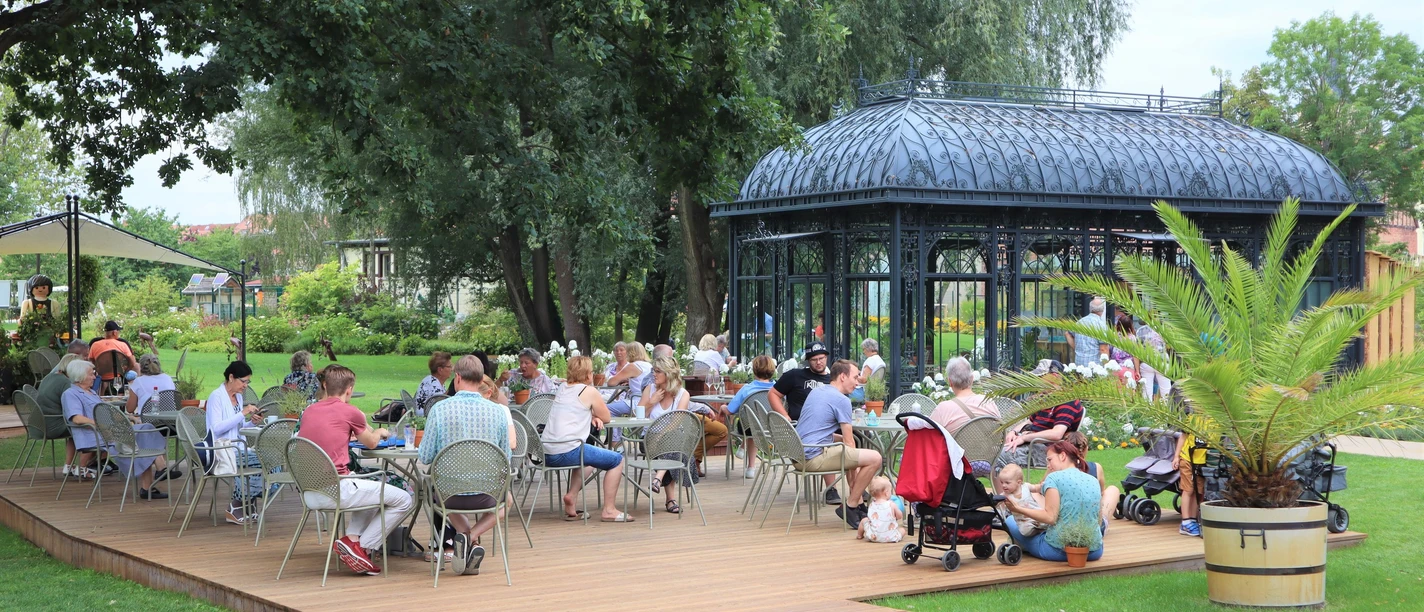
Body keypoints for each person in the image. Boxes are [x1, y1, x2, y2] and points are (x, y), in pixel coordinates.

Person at [299, 364, 413, 576]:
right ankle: (364, 547)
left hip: (310, 490)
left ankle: (352, 540)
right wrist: (379, 431)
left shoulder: (309, 410)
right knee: (404, 499)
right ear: (349, 389)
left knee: (372, 490)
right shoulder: (350, 411)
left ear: (325, 385)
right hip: (337, 489)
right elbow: (370, 443)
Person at [418, 355, 516, 575]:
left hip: (448, 495)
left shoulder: (439, 410)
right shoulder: (498, 412)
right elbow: (505, 459)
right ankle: (471, 537)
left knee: (437, 489)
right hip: (488, 493)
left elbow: (424, 456)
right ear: (482, 378)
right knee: (506, 501)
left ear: (457, 378)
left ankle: (466, 537)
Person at [541, 356, 633, 522]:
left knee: (590, 457)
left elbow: (573, 409)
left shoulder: (562, 387)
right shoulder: (589, 391)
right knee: (617, 460)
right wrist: (595, 415)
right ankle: (609, 510)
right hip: (568, 451)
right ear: (589, 375)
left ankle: (571, 497)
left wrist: (590, 415)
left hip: (546, 452)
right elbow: (606, 417)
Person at [61, 359, 169, 499]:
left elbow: (109, 414)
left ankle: (153, 479)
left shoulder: (91, 393)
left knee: (146, 429)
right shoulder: (70, 394)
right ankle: (158, 472)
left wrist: (128, 418)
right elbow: (77, 418)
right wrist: (101, 424)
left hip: (109, 431)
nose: (94, 377)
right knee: (142, 436)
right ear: (79, 376)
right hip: (93, 435)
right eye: (91, 374)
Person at [795, 359, 883, 527]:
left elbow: (816, 430)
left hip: (800, 453)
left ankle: (857, 503)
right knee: (875, 458)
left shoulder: (817, 392)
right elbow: (850, 443)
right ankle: (851, 505)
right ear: (843, 376)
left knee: (849, 448)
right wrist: (854, 479)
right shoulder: (842, 400)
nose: (857, 383)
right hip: (813, 457)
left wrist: (853, 479)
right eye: (855, 377)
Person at [1002, 440, 1105, 562]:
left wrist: (1017, 509)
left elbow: (1050, 518)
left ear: (1062, 456)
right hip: (1094, 551)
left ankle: (1022, 546)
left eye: (1050, 460)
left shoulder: (1054, 478)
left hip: (1058, 551)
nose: (1048, 465)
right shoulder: (1092, 479)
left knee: (1010, 521)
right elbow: (1098, 520)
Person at [640, 356, 728, 483]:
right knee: (677, 452)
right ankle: (666, 491)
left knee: (672, 446)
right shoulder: (650, 389)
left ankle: (661, 484)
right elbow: (638, 416)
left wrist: (661, 436)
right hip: (649, 438)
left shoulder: (682, 394)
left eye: (657, 371)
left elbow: (677, 422)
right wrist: (651, 402)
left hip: (671, 439)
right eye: (653, 370)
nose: (653, 374)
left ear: (668, 374)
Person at [205, 361, 267, 524]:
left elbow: (238, 427)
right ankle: (237, 504)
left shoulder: (238, 397)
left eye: (248, 382)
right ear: (231, 377)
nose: (245, 385)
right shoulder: (216, 397)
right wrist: (242, 413)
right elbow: (216, 428)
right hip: (221, 450)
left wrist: (251, 422)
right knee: (262, 460)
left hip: (238, 448)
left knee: (268, 459)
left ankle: (247, 503)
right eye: (243, 381)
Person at [1002, 360, 1083, 453]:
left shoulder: (1067, 401)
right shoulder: (1045, 399)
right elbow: (1030, 421)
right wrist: (1013, 432)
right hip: (1031, 444)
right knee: (993, 451)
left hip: (1048, 450)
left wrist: (1025, 438)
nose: (1036, 381)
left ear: (1054, 377)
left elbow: (1057, 434)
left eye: (1040, 377)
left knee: (997, 456)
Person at [725, 355, 776, 479]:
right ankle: (751, 467)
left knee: (751, 425)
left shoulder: (747, 389)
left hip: (747, 428)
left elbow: (730, 410)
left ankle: (747, 459)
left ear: (754, 370)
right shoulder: (777, 389)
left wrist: (722, 409)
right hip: (771, 427)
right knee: (756, 425)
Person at [928, 357, 1001, 433]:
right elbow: (1000, 430)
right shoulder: (988, 402)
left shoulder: (942, 409)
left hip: (955, 445)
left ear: (950, 382)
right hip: (990, 445)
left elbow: (929, 436)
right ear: (972, 379)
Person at [1065, 432, 1123, 525]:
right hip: (1093, 525)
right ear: (1086, 449)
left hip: (1065, 523)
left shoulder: (1056, 469)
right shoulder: (1096, 467)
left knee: (1037, 492)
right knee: (1113, 490)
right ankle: (1102, 522)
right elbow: (1101, 493)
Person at [37, 354, 80, 476]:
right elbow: (73, 407)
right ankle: (84, 467)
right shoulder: (66, 383)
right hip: (53, 425)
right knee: (83, 427)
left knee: (76, 427)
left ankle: (69, 465)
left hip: (40, 424)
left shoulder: (48, 377)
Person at [769, 342, 831, 421]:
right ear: (808, 360)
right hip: (799, 427)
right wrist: (784, 416)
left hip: (827, 426)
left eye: (821, 358)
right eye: (814, 360)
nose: (818, 362)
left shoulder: (833, 380)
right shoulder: (795, 375)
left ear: (826, 357)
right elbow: (773, 394)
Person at [995, 464, 1044, 537]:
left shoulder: (1026, 487)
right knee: (1025, 531)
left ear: (1019, 482)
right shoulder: (1005, 495)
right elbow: (996, 502)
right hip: (1024, 521)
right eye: (1001, 482)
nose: (1003, 485)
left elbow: (1036, 488)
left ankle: (1042, 529)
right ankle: (1037, 531)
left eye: (1007, 483)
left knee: (1046, 522)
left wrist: (1041, 486)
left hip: (1036, 513)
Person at [88, 321, 137, 392]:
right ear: (114, 332)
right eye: (118, 331)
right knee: (134, 374)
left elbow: (91, 362)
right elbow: (132, 363)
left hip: (101, 376)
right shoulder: (122, 345)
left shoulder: (95, 345)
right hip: (118, 376)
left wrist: (98, 369)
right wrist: (125, 371)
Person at [605, 343, 652, 417]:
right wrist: (630, 381)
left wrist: (620, 380)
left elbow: (611, 383)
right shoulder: (648, 365)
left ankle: (616, 428)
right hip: (649, 400)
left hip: (637, 401)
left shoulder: (633, 366)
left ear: (630, 353)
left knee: (606, 409)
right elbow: (640, 380)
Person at [857, 476, 905, 543]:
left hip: (873, 536)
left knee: (864, 520)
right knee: (902, 530)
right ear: (886, 493)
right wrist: (898, 512)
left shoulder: (871, 505)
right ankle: (892, 536)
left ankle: (859, 535)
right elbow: (899, 516)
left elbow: (871, 519)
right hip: (890, 537)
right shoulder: (892, 504)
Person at [1064, 297, 1109, 366]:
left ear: (1090, 309)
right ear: (1102, 310)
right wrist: (1107, 367)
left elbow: (1067, 334)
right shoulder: (1101, 326)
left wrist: (1077, 348)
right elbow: (1103, 349)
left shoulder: (1079, 323)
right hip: (1095, 367)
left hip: (1079, 364)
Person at [1136, 318, 1171, 401]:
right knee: (1166, 391)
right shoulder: (1164, 330)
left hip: (1147, 362)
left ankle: (1147, 412)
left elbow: (1136, 352)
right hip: (1162, 362)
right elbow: (1169, 347)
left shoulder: (1140, 331)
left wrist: (1137, 370)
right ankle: (1168, 411)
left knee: (1146, 393)